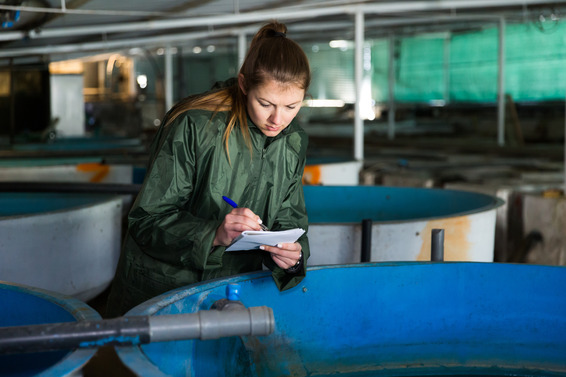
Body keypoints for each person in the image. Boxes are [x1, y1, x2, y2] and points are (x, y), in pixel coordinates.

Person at [106, 20, 311, 317]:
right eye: (265, 103)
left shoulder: (292, 142)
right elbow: (146, 219)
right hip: (169, 291)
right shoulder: (194, 125)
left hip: (235, 290)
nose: (277, 119)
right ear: (243, 85)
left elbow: (289, 218)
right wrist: (213, 235)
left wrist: (293, 256)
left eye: (292, 106)